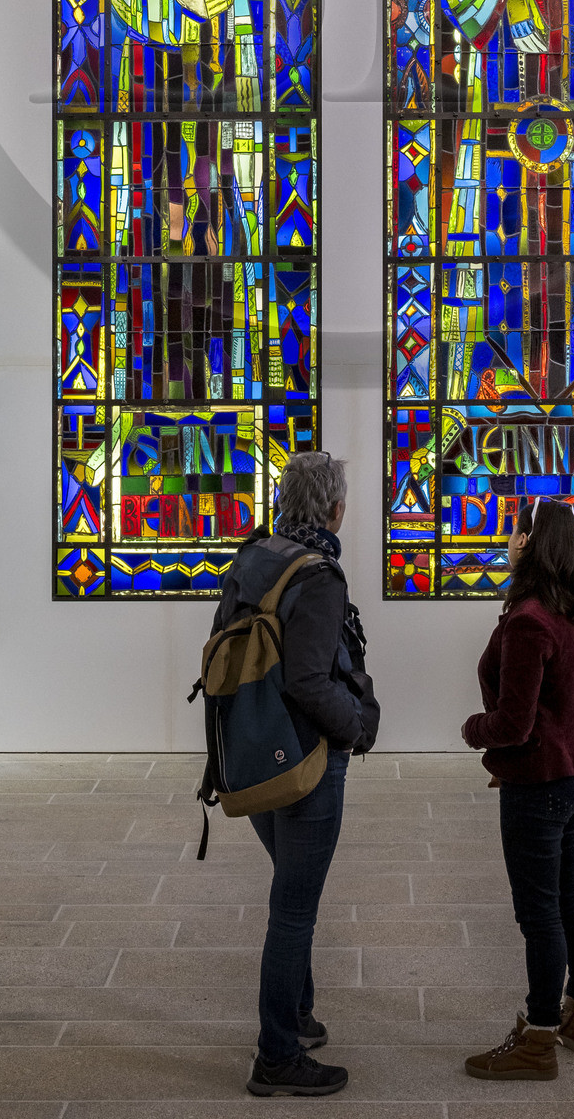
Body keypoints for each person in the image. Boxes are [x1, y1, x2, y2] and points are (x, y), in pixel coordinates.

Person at [218, 449, 379, 1099]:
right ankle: (277, 1056)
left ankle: (300, 1014)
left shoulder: (256, 554)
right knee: (293, 911)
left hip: (255, 756)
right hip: (307, 761)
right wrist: (358, 726)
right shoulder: (318, 575)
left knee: (289, 894)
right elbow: (312, 680)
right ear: (335, 507)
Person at [459, 499, 574, 1082]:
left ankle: (539, 1037)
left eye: (513, 530)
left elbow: (514, 724)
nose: (507, 538)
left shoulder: (527, 621)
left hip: (543, 782)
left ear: (531, 542)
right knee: (572, 896)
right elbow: (559, 704)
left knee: (539, 913)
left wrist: (473, 731)